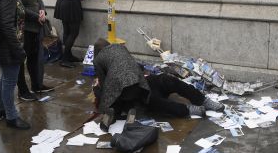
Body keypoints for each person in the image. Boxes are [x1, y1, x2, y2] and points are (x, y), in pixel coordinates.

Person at [93, 38, 225, 128]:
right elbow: (132, 68)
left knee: (166, 81)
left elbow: (107, 88)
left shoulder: (99, 60)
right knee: (154, 99)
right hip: (135, 90)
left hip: (140, 84)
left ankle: (199, 102)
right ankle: (193, 107)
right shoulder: (119, 48)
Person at [0, 0, 32, 130]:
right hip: (7, 46)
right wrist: (18, 49)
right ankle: (11, 117)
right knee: (9, 81)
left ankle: (0, 110)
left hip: (2, 45)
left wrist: (36, 16)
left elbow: (17, 14)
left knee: (4, 78)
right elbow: (8, 26)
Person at [13, 0, 54, 101]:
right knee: (21, 60)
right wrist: (35, 15)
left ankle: (37, 84)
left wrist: (42, 10)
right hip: (24, 28)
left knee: (35, 59)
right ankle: (22, 90)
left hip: (36, 27)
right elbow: (19, 7)